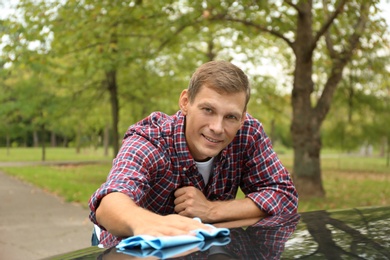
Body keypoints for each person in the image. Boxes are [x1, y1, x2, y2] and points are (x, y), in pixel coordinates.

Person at [89, 60, 298, 247]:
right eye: (208, 110)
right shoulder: (151, 139)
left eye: (231, 117)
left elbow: (284, 195)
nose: (217, 127)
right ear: (185, 102)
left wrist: (210, 211)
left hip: (202, 248)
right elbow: (109, 202)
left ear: (242, 117)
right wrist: (151, 224)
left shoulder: (248, 133)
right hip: (125, 248)